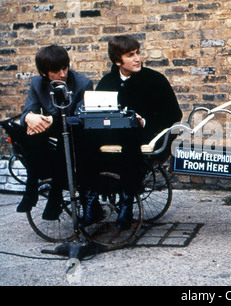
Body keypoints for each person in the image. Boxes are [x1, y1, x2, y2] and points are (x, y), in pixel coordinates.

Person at [80, 35, 182, 230]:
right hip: (111, 134)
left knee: (130, 137)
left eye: (138, 53)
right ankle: (90, 201)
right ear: (118, 61)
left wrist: (143, 121)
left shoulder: (155, 80)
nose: (137, 58)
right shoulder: (107, 82)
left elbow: (173, 114)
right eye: (130, 55)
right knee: (84, 139)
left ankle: (127, 203)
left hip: (144, 134)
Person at [17, 45, 93, 220]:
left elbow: (81, 119)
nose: (63, 73)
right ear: (45, 73)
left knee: (63, 134)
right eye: (56, 70)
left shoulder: (82, 84)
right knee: (27, 132)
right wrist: (29, 117)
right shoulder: (37, 83)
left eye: (65, 67)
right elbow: (28, 110)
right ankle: (31, 188)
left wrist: (54, 121)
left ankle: (55, 194)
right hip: (48, 133)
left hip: (74, 134)